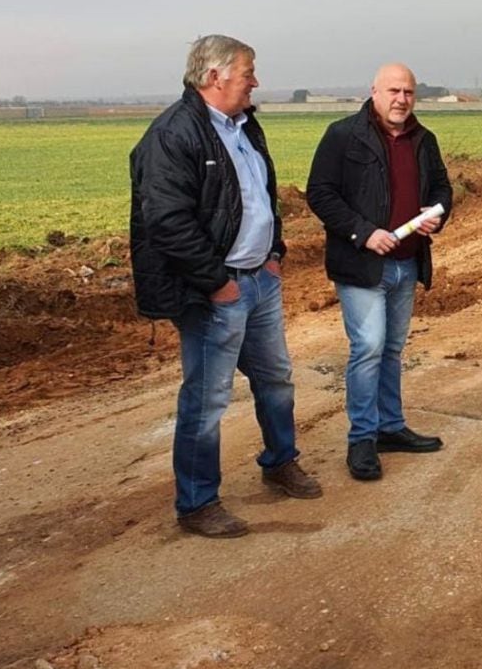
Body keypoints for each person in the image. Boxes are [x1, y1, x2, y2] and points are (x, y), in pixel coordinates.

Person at [130, 35, 322, 539]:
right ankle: (197, 502)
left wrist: (273, 252)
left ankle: (280, 461)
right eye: (248, 71)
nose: (255, 81)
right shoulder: (173, 135)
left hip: (260, 280)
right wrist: (216, 283)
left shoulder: (243, 126)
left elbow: (258, 197)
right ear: (214, 76)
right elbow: (167, 221)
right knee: (207, 398)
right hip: (217, 292)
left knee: (276, 378)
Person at [306, 63, 453, 482]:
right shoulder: (343, 135)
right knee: (368, 347)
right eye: (394, 91)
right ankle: (362, 439)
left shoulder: (424, 139)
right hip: (361, 264)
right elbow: (320, 193)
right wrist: (364, 232)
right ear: (374, 92)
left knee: (390, 349)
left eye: (408, 92)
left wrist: (438, 213)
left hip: (407, 261)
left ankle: (390, 426)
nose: (401, 99)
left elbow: (442, 188)